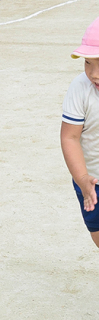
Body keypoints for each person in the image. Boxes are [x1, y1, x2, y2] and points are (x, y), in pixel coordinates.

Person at [61, 17, 99, 249]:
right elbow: (70, 137)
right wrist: (82, 178)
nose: (94, 74)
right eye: (88, 63)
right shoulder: (80, 88)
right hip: (91, 182)